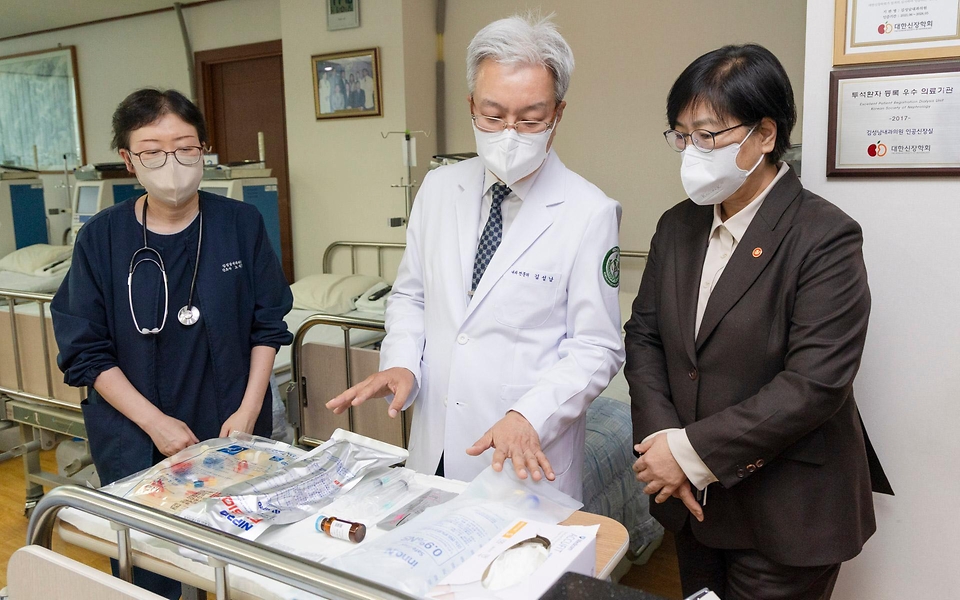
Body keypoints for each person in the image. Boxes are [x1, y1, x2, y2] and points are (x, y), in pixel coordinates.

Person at [626, 44, 892, 599]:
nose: (692, 152)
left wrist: (688, 453)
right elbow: (645, 336)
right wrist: (661, 441)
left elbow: (815, 383)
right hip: (692, 503)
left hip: (786, 510)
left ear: (765, 135)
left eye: (708, 135)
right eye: (682, 136)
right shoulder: (677, 226)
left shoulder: (824, 235)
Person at [326, 14, 624, 500]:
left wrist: (529, 415)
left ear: (557, 114)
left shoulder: (589, 212)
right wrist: (402, 362)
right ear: (471, 106)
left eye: (530, 119)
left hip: (524, 456)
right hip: (435, 444)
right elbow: (412, 296)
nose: (510, 133)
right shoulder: (439, 188)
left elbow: (597, 347)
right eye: (492, 116)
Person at [52, 88, 292, 599]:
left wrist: (249, 411)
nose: (172, 164)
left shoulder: (239, 223)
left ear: (203, 149)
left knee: (239, 563)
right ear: (128, 160)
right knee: (149, 567)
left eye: (185, 148)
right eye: (153, 151)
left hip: (232, 423)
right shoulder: (101, 237)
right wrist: (154, 423)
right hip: (136, 430)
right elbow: (84, 350)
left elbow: (267, 326)